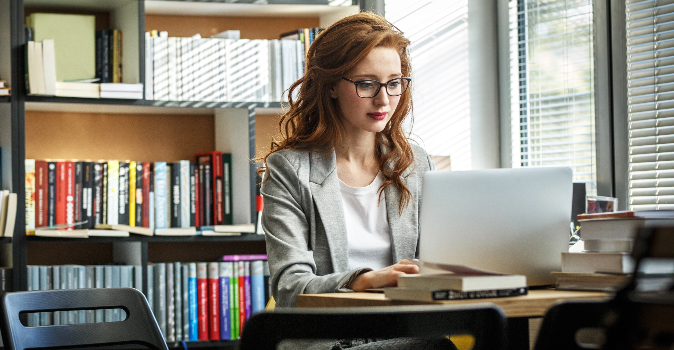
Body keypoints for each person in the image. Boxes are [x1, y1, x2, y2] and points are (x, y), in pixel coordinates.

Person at [259, 12, 433, 309]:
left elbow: (436, 262)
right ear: (329, 86)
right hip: (329, 336)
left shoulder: (414, 163)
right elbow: (290, 287)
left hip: (402, 328)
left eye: (393, 83)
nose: (383, 100)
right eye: (366, 84)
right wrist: (362, 281)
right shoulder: (289, 170)